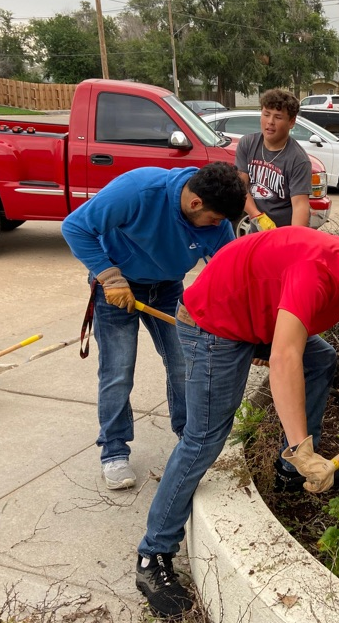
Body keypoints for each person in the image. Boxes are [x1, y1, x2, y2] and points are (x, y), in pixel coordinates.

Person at [134, 224, 339, 618]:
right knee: (204, 438)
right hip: (214, 322)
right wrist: (302, 446)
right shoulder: (320, 271)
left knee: (322, 357)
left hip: (256, 313)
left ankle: (286, 471)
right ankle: (153, 554)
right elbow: (283, 358)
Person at [62, 163, 247, 490]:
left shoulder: (217, 223)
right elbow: (75, 227)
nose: (218, 226)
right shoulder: (138, 190)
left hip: (167, 288)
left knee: (183, 364)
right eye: (214, 219)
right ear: (195, 204)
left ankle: (188, 439)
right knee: (118, 370)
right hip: (117, 286)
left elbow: (230, 275)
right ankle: (114, 450)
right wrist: (109, 275)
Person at [235, 88, 311, 231]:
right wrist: (257, 216)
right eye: (266, 114)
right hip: (256, 232)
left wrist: (294, 240)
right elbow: (240, 187)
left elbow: (300, 205)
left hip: (283, 234)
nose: (270, 122)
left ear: (291, 122)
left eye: (278, 117)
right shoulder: (247, 144)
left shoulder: (298, 160)